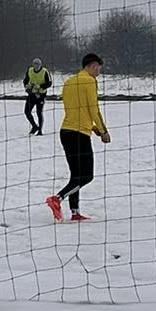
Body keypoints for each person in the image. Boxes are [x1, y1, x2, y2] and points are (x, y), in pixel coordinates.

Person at [47, 52, 109, 222]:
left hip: (66, 131)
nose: (98, 72)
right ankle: (57, 199)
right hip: (79, 134)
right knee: (87, 175)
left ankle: (75, 213)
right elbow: (93, 108)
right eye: (98, 69)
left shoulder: (69, 82)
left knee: (76, 175)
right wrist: (103, 131)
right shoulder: (89, 81)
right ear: (92, 66)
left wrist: (93, 128)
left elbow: (77, 109)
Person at [23, 56, 53, 135]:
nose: (36, 66)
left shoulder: (44, 71)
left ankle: (40, 130)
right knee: (27, 112)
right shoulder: (30, 70)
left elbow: (49, 83)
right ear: (33, 64)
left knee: (39, 112)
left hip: (41, 95)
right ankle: (34, 126)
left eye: (38, 64)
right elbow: (25, 80)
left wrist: (40, 86)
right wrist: (27, 85)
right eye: (35, 64)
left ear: (40, 65)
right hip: (32, 94)